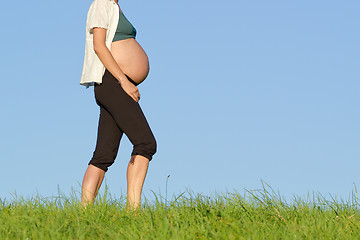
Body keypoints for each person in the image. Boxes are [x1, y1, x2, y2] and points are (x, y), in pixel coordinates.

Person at [79, 0, 157, 211]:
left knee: (103, 155)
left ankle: (84, 214)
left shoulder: (113, 6)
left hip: (115, 84)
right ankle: (133, 211)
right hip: (113, 82)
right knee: (145, 143)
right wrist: (124, 81)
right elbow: (99, 45)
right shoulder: (101, 3)